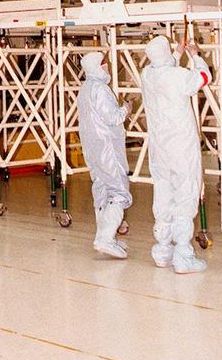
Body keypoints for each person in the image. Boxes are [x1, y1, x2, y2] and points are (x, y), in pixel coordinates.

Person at [141, 34, 210, 274]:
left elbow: (164, 67)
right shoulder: (178, 76)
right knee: (185, 193)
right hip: (181, 146)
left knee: (163, 192)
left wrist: (178, 52)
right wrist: (195, 55)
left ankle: (163, 251)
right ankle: (183, 255)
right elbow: (203, 77)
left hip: (159, 148)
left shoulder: (147, 75)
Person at [77, 50, 131, 259]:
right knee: (118, 191)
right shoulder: (100, 89)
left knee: (101, 189)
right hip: (107, 148)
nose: (107, 67)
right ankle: (106, 238)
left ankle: (104, 235)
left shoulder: (85, 88)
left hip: (92, 147)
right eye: (104, 63)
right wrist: (126, 109)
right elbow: (113, 117)